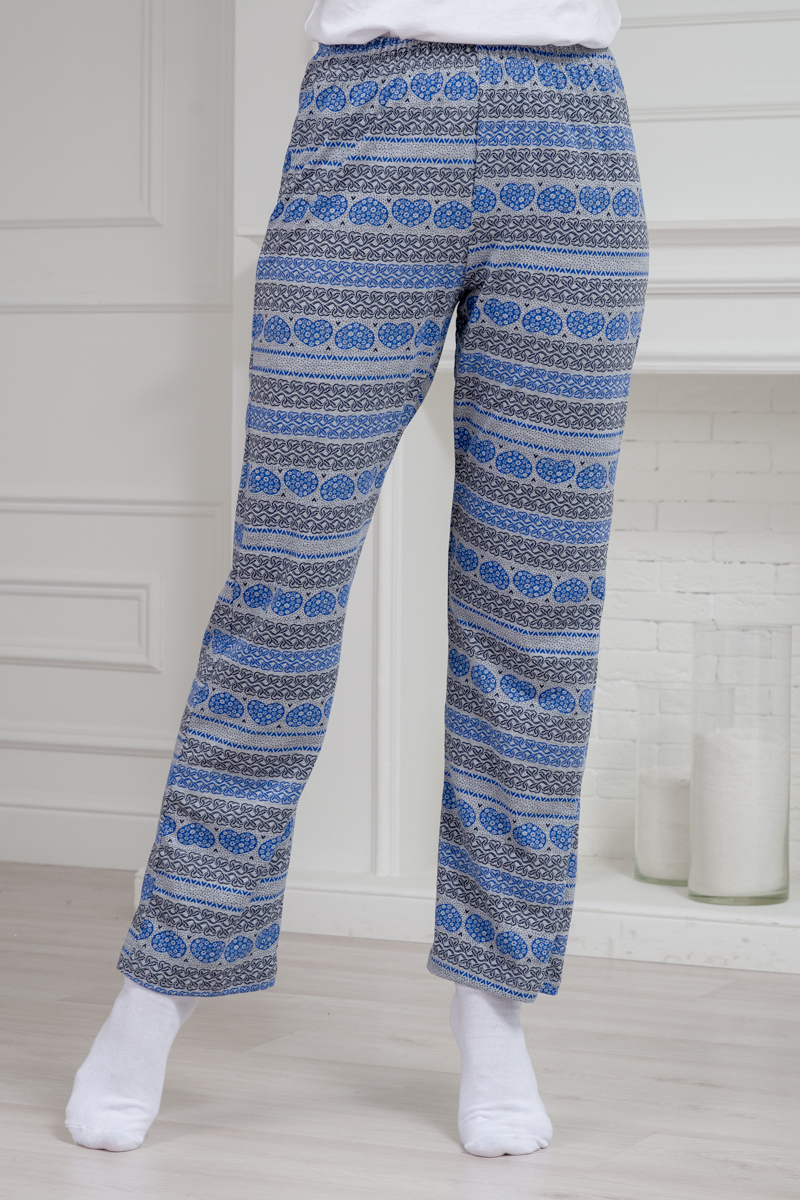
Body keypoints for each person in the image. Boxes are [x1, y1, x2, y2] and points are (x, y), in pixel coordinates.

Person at [66, 0, 647, 1159]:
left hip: (572, 132)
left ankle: (493, 1010)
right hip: (374, 113)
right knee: (281, 592)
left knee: (534, 608)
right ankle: (159, 983)